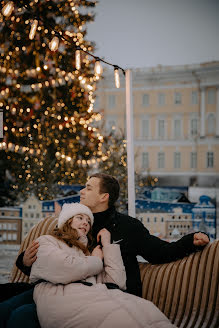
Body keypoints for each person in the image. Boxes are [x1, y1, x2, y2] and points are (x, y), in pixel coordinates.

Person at [0, 173, 209, 327]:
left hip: (104, 297)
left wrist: (190, 241)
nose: (82, 191)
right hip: (59, 291)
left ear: (104, 197)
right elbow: (54, 261)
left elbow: (161, 252)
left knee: (22, 315)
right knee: (11, 306)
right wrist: (24, 263)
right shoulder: (71, 225)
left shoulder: (127, 227)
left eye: (89, 188)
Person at [12, 202, 177, 328]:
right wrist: (96, 260)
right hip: (62, 300)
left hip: (95, 296)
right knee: (123, 319)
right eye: (80, 218)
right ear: (67, 221)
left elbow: (116, 282)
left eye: (88, 221)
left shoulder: (87, 254)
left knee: (147, 311)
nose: (85, 223)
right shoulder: (47, 241)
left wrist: (108, 246)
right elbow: (66, 269)